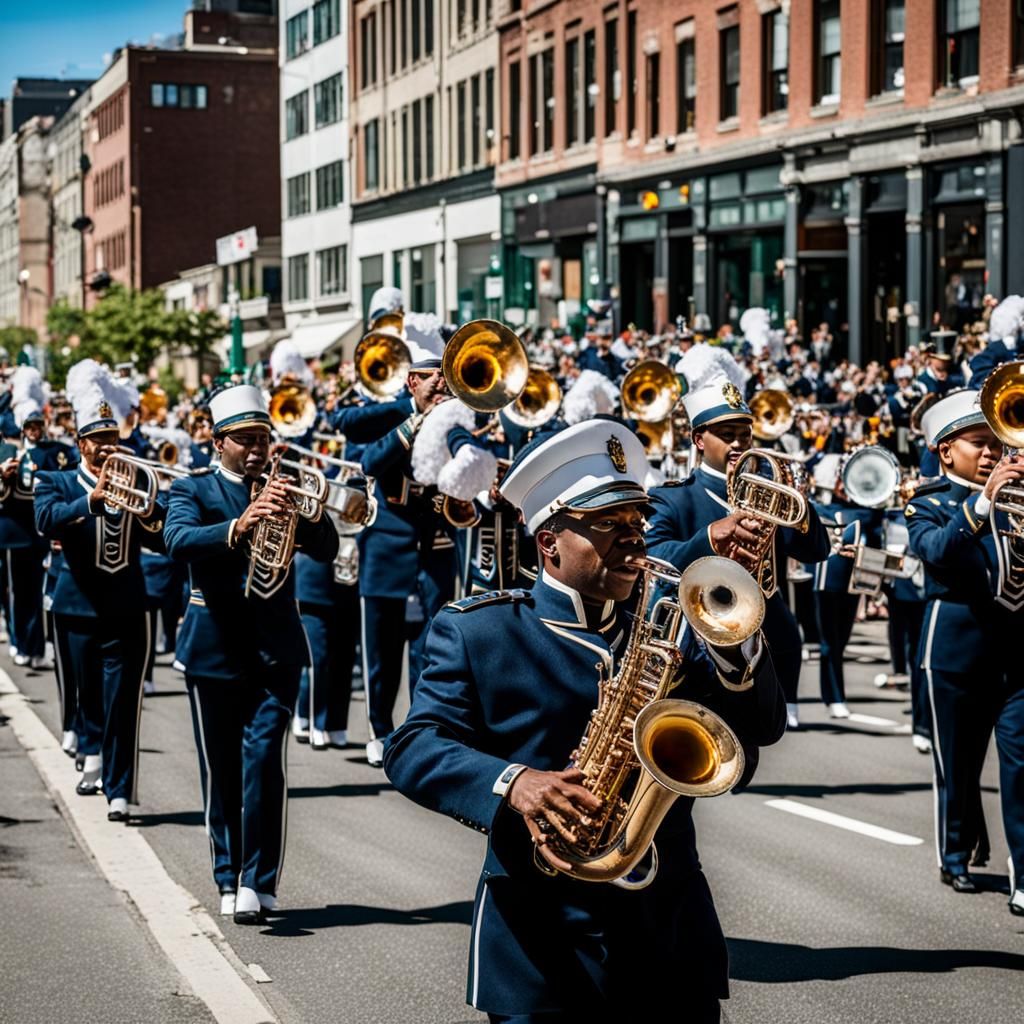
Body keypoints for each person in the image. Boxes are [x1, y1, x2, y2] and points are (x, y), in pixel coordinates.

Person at [384, 419, 786, 1022]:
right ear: (550, 542)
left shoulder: (671, 623)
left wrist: (735, 640)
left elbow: (756, 736)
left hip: (669, 932)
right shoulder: (481, 631)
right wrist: (516, 783)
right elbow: (413, 745)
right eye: (609, 526)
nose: (635, 541)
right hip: (541, 941)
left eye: (637, 523)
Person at [164, 384, 339, 923]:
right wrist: (240, 525)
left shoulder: (285, 488)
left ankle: (258, 881)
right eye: (245, 440)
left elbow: (328, 549)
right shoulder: (192, 490)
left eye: (264, 438)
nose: (258, 449)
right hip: (213, 646)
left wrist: (305, 512)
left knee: (264, 761)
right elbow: (177, 541)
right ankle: (227, 872)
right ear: (218, 443)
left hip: (276, 648)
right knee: (221, 768)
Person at [646, 378, 830, 730]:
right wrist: (709, 538)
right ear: (699, 440)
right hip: (696, 645)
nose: (737, 443)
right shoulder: (673, 498)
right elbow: (655, 559)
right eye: (726, 434)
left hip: (766, 640)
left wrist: (801, 503)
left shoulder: (770, 492)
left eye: (744, 435)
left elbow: (816, 551)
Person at [906, 389, 1024, 913]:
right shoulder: (926, 502)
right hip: (953, 656)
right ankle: (955, 856)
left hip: (1018, 656)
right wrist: (981, 504)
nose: (991, 455)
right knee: (957, 766)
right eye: (979, 444)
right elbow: (939, 552)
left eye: (995, 445)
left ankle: (1022, 874)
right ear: (945, 450)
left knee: (1022, 768)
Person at [34, 359, 163, 822]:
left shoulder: (136, 480)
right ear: (81, 443)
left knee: (124, 700)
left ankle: (120, 787)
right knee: (87, 694)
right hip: (77, 605)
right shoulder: (57, 480)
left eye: (114, 438)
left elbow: (160, 534)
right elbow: (45, 519)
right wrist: (92, 499)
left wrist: (153, 507)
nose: (108, 447)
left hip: (128, 606)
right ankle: (90, 753)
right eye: (99, 440)